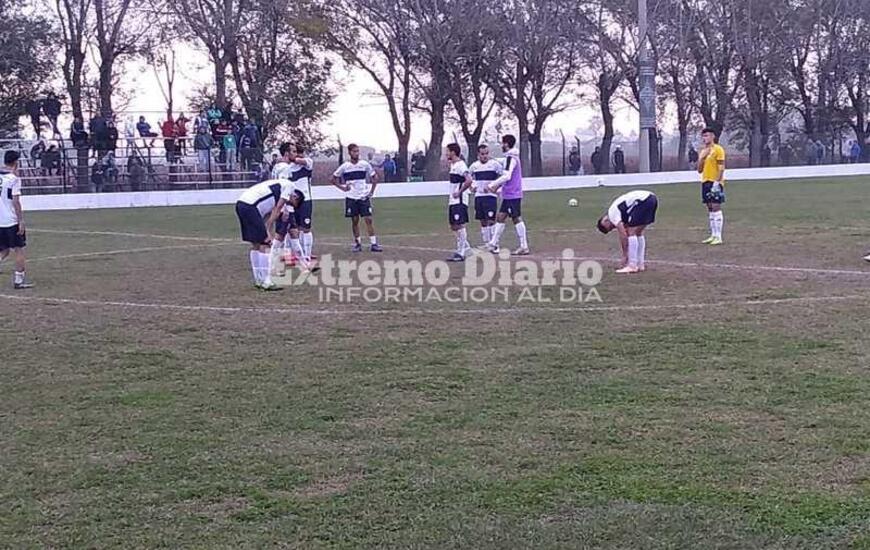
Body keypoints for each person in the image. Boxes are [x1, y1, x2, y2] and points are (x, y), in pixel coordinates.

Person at [235, 178, 309, 290]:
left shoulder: (277, 186)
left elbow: (267, 214)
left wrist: (267, 226)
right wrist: (268, 231)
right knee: (265, 244)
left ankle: (258, 280)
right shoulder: (290, 186)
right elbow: (277, 208)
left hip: (242, 204)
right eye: (293, 204)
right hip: (251, 206)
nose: (290, 205)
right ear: (295, 197)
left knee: (256, 245)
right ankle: (266, 281)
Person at [482, 134, 530, 255]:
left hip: (512, 193)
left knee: (516, 218)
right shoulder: (510, 157)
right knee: (501, 217)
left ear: (507, 144)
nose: (501, 145)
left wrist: (493, 185)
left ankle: (524, 246)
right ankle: (493, 243)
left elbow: (507, 175)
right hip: (509, 193)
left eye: (502, 143)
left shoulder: (511, 158)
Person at [332, 143, 383, 252]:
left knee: (368, 219)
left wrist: (371, 191)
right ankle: (358, 243)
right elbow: (332, 179)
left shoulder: (364, 164)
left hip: (363, 197)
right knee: (354, 221)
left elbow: (375, 177)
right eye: (354, 151)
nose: (356, 153)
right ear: (349, 152)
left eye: (357, 151)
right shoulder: (345, 167)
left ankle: (374, 244)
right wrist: (342, 188)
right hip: (351, 197)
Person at [596, 189, 658, 274]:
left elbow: (623, 235)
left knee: (631, 232)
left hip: (643, 201)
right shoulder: (617, 213)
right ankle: (640, 264)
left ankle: (632, 265)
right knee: (638, 232)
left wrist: (625, 255)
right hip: (652, 198)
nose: (613, 227)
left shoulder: (612, 214)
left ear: (605, 220)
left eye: (610, 227)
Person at [0, 151, 33, 289]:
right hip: (11, 220)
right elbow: (16, 201)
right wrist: (21, 220)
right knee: (19, 250)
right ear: (16, 162)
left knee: (4, 250)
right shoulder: (14, 179)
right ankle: (19, 281)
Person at [469, 144, 503, 247]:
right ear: (478, 154)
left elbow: (503, 177)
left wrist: (495, 187)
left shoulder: (495, 165)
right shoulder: (474, 166)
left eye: (487, 153)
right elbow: (468, 178)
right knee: (482, 220)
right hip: (479, 196)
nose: (485, 156)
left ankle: (495, 244)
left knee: (491, 220)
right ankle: (487, 243)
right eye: (482, 154)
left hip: (490, 196)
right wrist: (471, 187)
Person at [445, 143, 473, 262]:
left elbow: (469, 180)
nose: (446, 153)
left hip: (459, 200)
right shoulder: (454, 165)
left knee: (459, 224)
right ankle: (466, 249)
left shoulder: (461, 165)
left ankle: (461, 252)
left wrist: (460, 192)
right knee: (453, 226)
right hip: (453, 200)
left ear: (453, 152)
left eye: (447, 151)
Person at [698, 128, 726, 245]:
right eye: (704, 136)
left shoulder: (718, 150)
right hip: (705, 181)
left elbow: (721, 167)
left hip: (715, 182)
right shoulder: (703, 151)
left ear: (713, 136)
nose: (705, 138)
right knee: (709, 207)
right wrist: (702, 158)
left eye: (707, 136)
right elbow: (699, 170)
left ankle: (718, 236)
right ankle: (713, 235)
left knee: (716, 206)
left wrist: (717, 182)